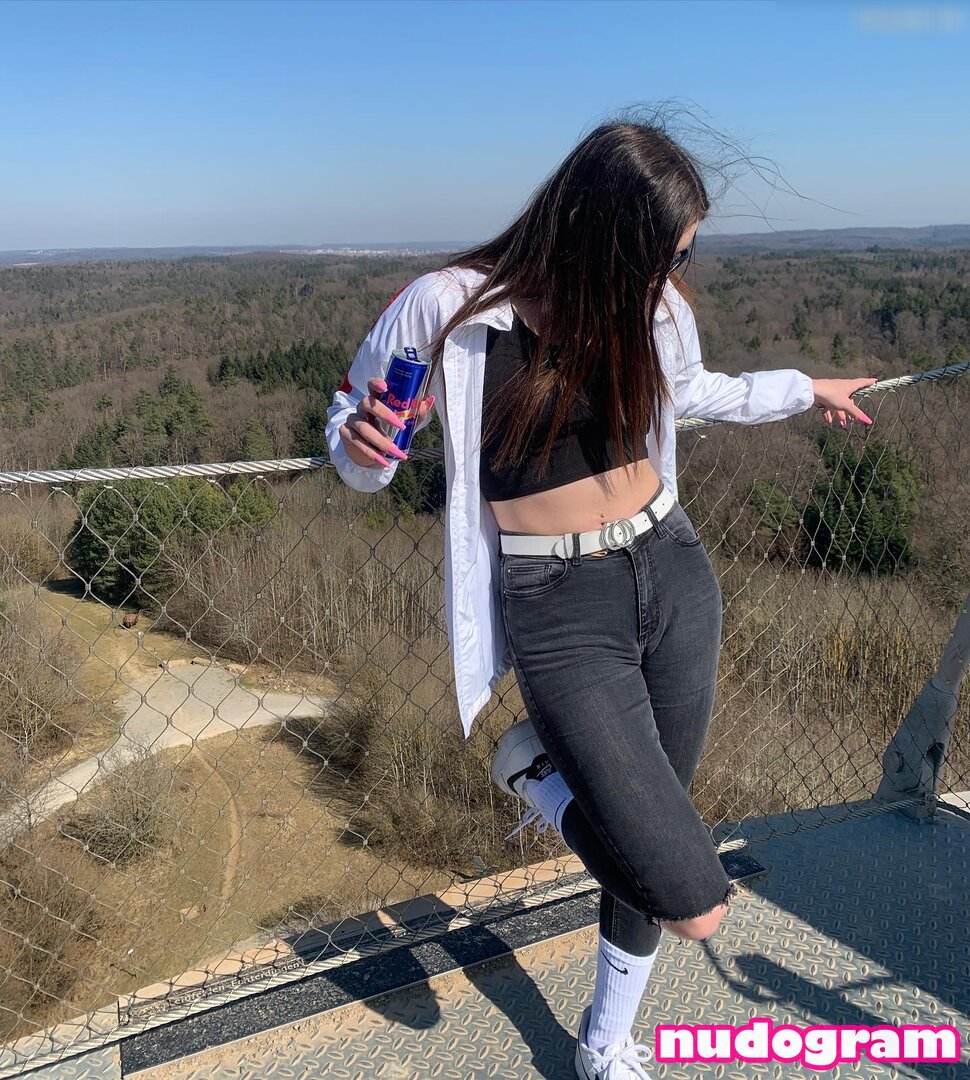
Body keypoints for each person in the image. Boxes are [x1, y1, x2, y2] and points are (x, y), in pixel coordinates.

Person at [326, 118, 875, 1080]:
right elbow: (359, 438)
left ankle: (604, 1041)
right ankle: (537, 775)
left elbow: (695, 390)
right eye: (663, 252)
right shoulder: (447, 308)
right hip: (559, 601)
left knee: (657, 822)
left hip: (673, 569)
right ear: (600, 232)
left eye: (681, 254)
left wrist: (804, 387)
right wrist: (360, 443)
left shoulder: (649, 307)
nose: (672, 273)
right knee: (689, 894)